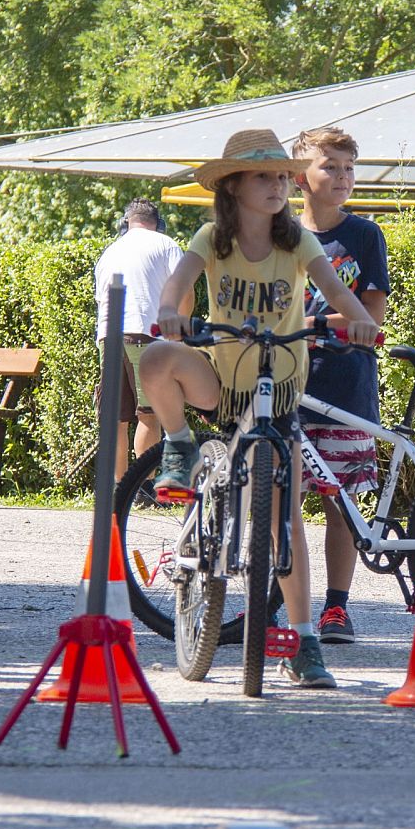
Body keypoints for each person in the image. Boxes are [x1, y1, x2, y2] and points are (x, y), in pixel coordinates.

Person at [139, 129, 380, 690]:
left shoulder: (297, 241)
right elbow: (175, 286)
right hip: (227, 386)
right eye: (263, 176)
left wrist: (357, 319)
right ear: (233, 187)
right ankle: (178, 443)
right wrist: (172, 312)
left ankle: (304, 641)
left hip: (281, 391)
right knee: (156, 357)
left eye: (280, 176)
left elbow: (335, 290)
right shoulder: (211, 238)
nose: (277, 185)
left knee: (285, 517)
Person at [291, 128, 389, 646]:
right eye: (330, 166)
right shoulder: (282, 234)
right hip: (288, 381)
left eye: (349, 168)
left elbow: (373, 310)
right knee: (282, 498)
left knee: (339, 502)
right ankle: (283, 604)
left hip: (346, 382)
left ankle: (336, 607)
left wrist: (321, 325)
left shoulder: (364, 235)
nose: (343, 177)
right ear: (298, 176)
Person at [92, 198, 184, 482]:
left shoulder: (109, 252)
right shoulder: (166, 244)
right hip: (145, 331)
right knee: (149, 413)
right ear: (159, 224)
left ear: (126, 223)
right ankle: (142, 490)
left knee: (116, 419)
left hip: (109, 336)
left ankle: (119, 491)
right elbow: (185, 289)